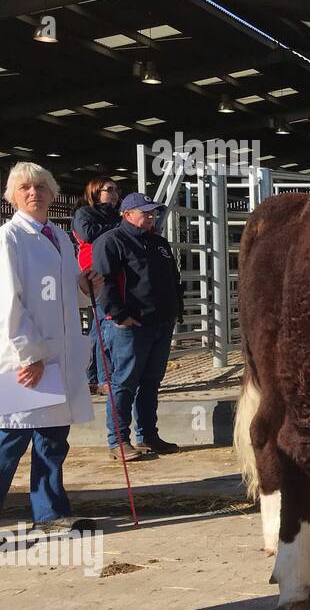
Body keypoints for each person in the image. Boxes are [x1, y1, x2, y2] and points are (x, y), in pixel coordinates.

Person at [0, 162, 96, 534]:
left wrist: (88, 286)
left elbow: (69, 294)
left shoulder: (58, 236)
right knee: (11, 439)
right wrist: (30, 355)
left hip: (60, 355)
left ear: (53, 194)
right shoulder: (9, 238)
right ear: (11, 196)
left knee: (53, 439)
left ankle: (51, 512)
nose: (33, 192)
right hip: (29, 358)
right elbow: (9, 302)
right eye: (24, 187)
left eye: (41, 186)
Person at [92, 192, 183, 461]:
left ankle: (148, 436)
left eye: (153, 212)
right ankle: (118, 441)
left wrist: (175, 310)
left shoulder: (159, 243)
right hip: (131, 325)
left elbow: (172, 279)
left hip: (161, 323)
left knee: (151, 382)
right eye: (145, 212)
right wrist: (120, 315)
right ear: (127, 214)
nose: (151, 216)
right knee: (124, 383)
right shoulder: (112, 241)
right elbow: (103, 282)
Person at [72, 175, 120, 393]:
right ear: (95, 192)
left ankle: (89, 377)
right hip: (95, 275)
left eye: (116, 190)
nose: (114, 193)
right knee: (105, 327)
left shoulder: (114, 216)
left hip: (111, 273)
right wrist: (119, 226)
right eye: (109, 189)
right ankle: (103, 380)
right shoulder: (84, 214)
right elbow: (89, 234)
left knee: (97, 328)